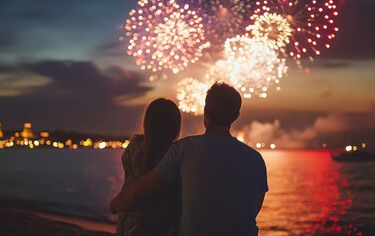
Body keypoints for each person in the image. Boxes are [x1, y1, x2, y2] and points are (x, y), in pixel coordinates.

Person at [111, 82, 268, 236]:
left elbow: (138, 192)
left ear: (206, 110)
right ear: (236, 116)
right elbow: (253, 209)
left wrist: (114, 204)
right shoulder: (257, 159)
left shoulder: (184, 149)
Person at [115, 98, 182, 236]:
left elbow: (128, 184)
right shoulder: (174, 155)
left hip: (126, 225)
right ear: (175, 127)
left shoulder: (133, 147)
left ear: (148, 122)